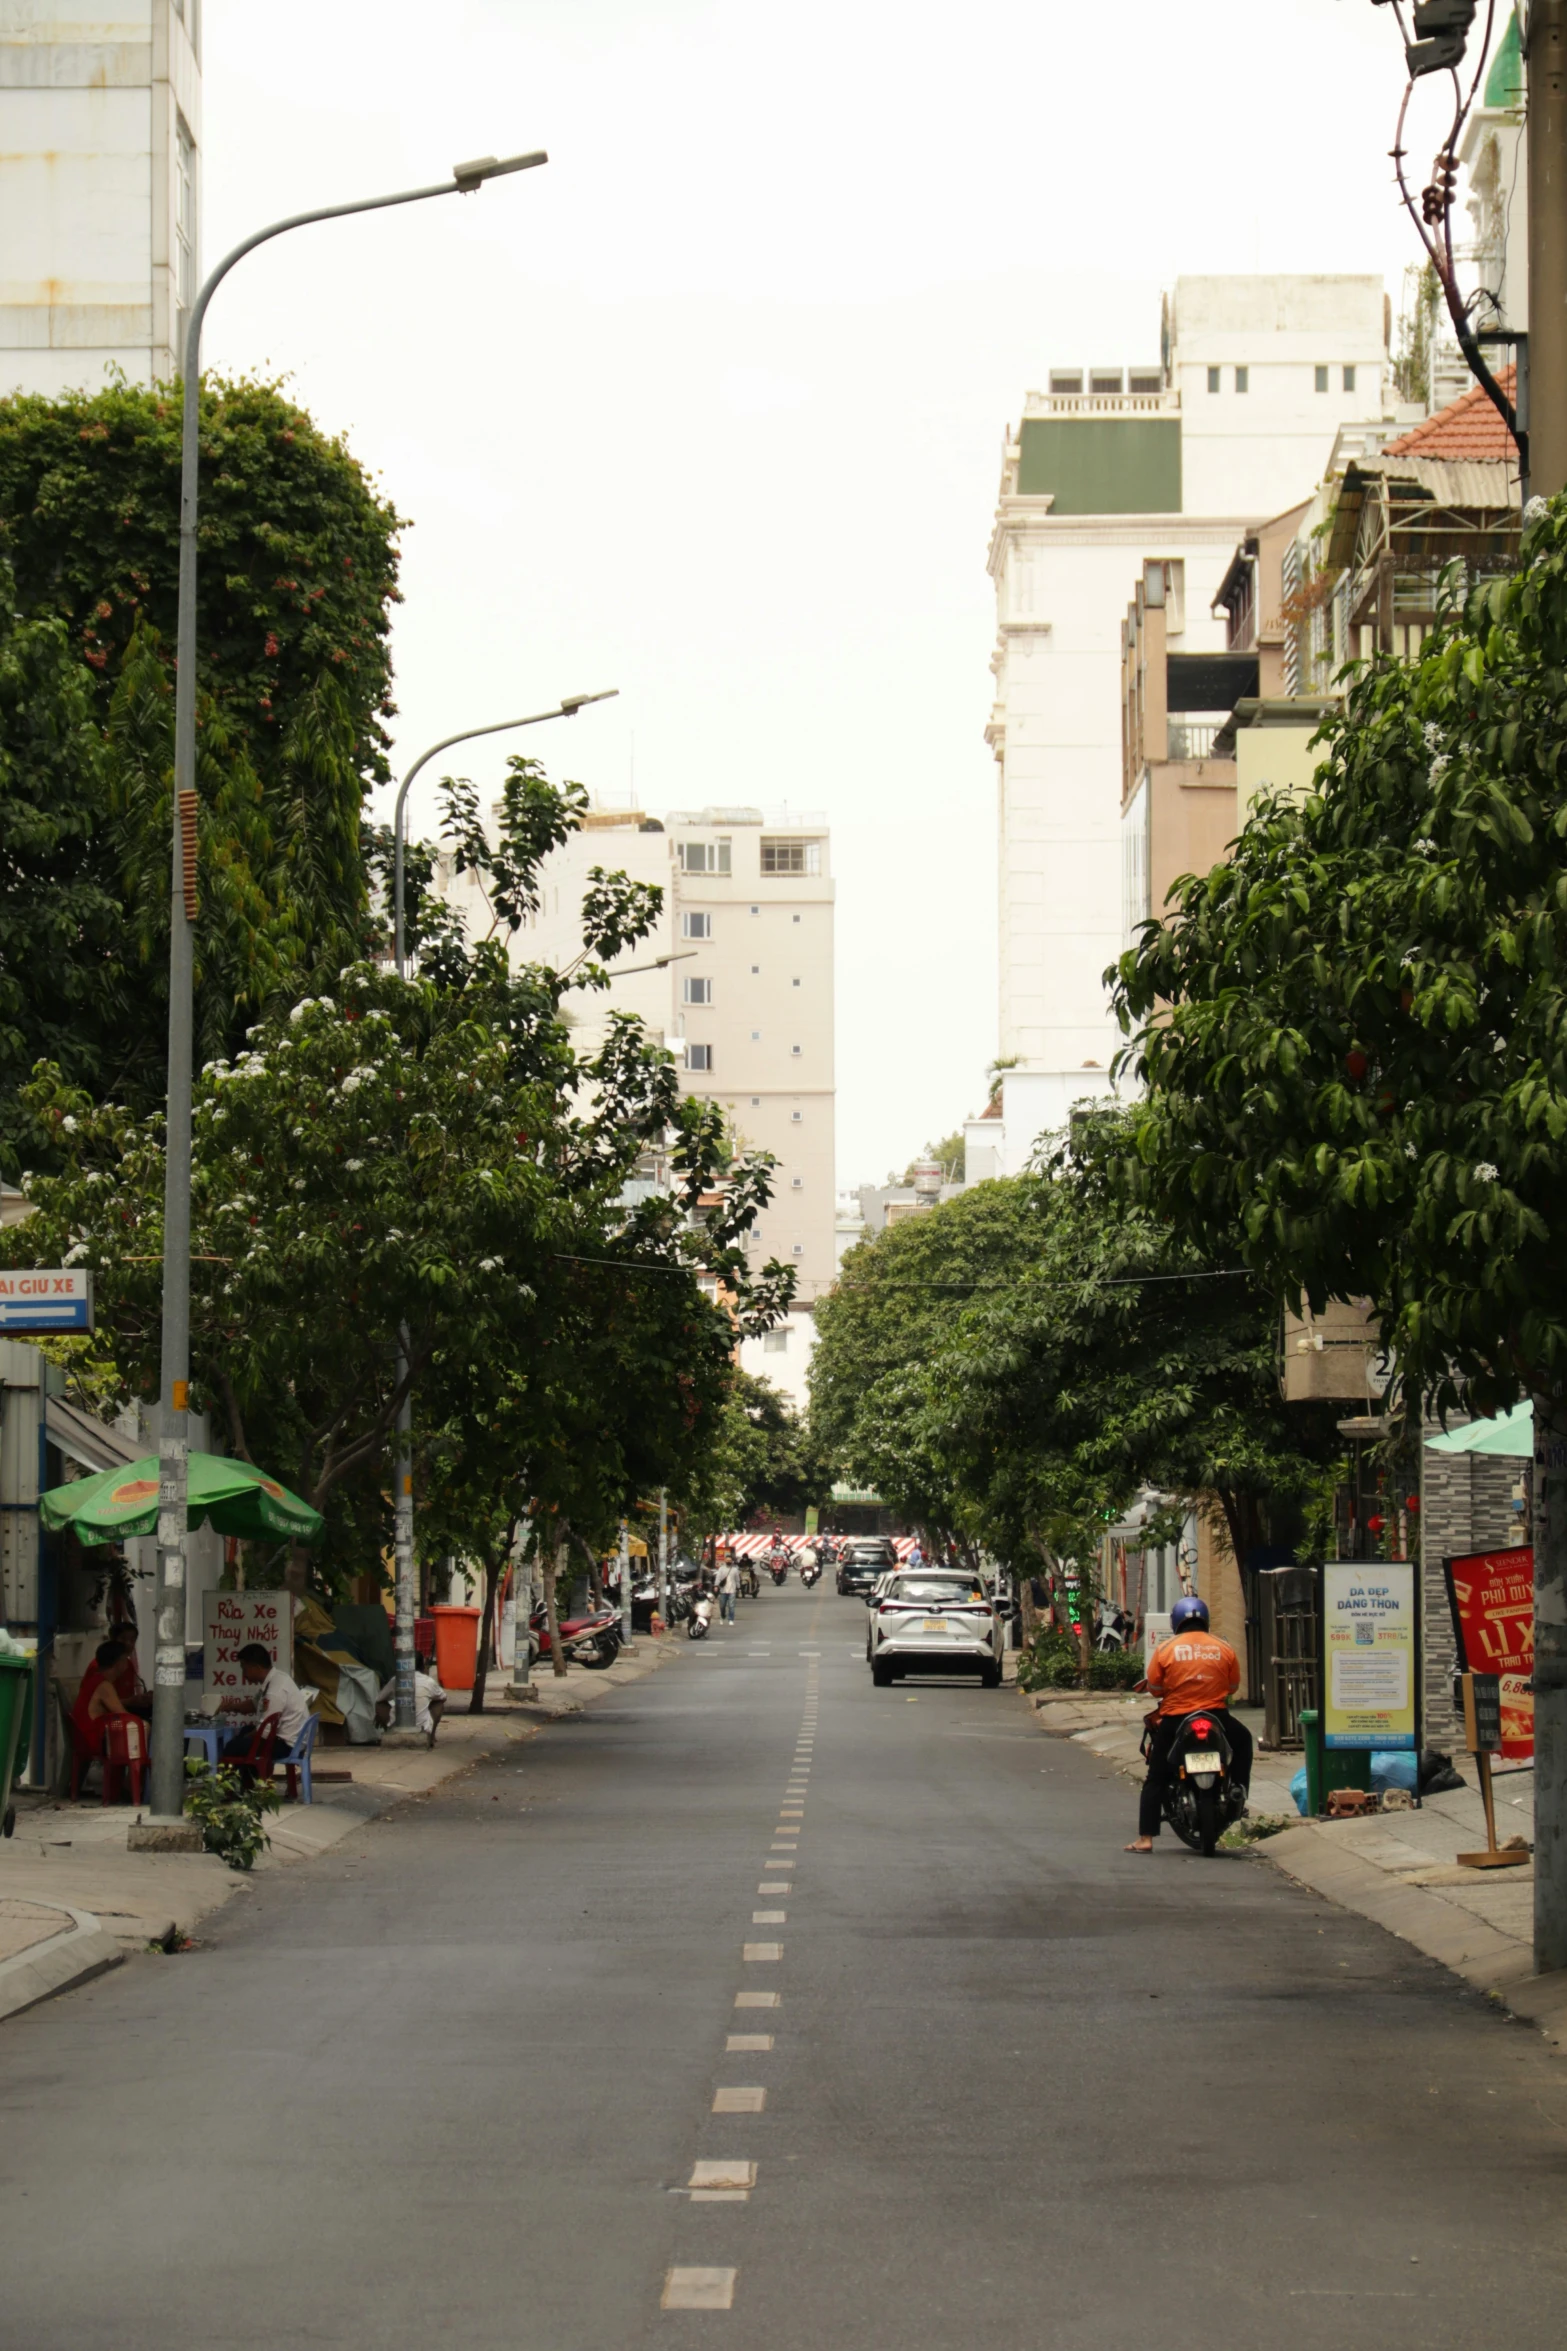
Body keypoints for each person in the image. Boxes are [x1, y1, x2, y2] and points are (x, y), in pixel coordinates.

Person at [1126, 1596, 1252, 1852]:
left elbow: (1156, 1689)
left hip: (1176, 1719)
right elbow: (1233, 1686)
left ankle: (1146, 1838)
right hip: (1217, 1716)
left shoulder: (1165, 1649)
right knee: (1244, 1740)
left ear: (1176, 1622)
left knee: (1156, 1776)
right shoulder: (1223, 1647)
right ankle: (1238, 1790)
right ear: (1205, 1620)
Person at [221, 1641, 313, 1751]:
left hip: (287, 1745)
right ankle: (250, 1767)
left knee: (232, 1747)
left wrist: (242, 1739)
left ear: (256, 1667)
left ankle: (245, 1767)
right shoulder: (276, 1678)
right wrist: (230, 1707)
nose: (243, 1674)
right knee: (245, 1730)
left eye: (244, 1668)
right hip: (289, 1738)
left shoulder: (274, 1690)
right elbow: (253, 1704)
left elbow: (264, 1733)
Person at [716, 1550, 740, 1625]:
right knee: (722, 1606)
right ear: (725, 1561)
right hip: (723, 1590)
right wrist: (716, 1586)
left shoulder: (735, 1570)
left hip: (732, 1590)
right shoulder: (721, 1569)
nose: (728, 1561)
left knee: (731, 1606)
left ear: (732, 1561)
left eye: (730, 1560)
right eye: (727, 1560)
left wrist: (738, 1587)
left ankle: (731, 1619)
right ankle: (722, 1616)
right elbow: (718, 1578)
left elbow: (737, 1579)